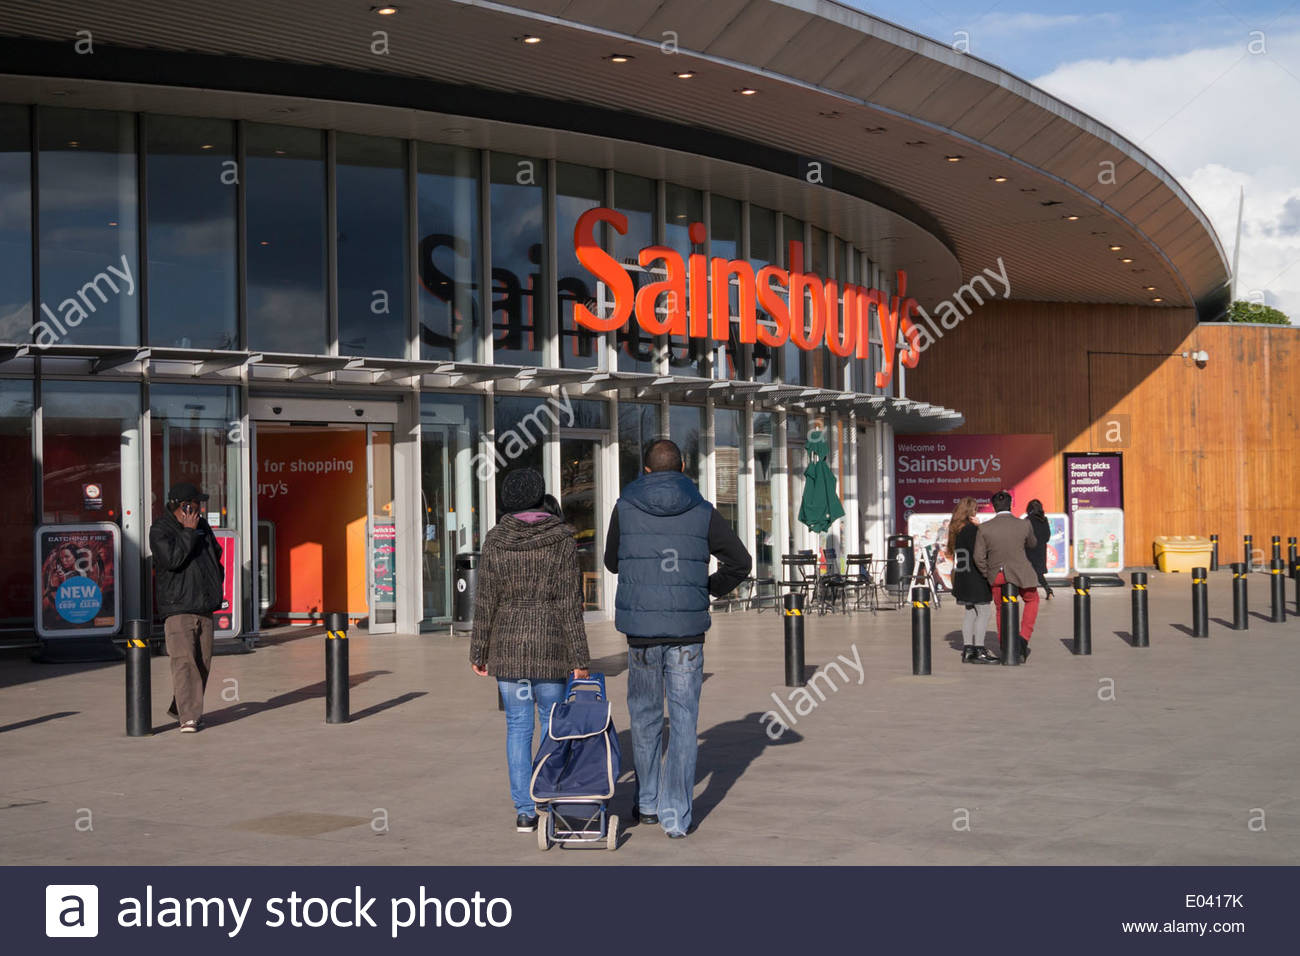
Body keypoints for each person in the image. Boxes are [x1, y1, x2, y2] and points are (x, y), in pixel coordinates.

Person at [603, 439, 751, 838]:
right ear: (684, 467)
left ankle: (647, 803)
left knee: (646, 716)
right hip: (688, 634)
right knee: (684, 722)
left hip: (642, 636)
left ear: (645, 470)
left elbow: (611, 561)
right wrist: (704, 588)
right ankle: (677, 817)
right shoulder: (703, 511)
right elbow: (741, 561)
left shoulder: (625, 507)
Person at [470, 467, 590, 834]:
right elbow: (571, 602)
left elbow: (485, 599)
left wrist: (479, 651)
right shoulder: (562, 539)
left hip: (507, 646)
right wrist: (580, 659)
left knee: (517, 727)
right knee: (553, 726)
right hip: (550, 645)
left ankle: (524, 809)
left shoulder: (495, 540)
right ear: (540, 497)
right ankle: (548, 794)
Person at [149, 482, 224, 733]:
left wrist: (216, 580)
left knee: (202, 663)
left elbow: (215, 553)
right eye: (195, 504)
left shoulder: (201, 526)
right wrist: (188, 532)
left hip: (204, 603)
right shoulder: (161, 529)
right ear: (183, 506)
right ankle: (189, 716)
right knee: (184, 662)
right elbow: (172, 559)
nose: (199, 509)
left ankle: (180, 705)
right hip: (178, 606)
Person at [974, 490, 1039, 661]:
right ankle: (1023, 638)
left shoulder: (984, 528)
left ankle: (1005, 644)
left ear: (993, 506)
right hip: (1021, 573)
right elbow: (1033, 543)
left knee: (1000, 609)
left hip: (997, 574)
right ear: (1010, 505)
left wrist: (987, 573)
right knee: (1032, 600)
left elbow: (978, 557)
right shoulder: (1024, 524)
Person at [946, 497, 998, 664]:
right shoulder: (972, 530)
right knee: (984, 612)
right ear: (971, 511)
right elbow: (983, 550)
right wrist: (980, 526)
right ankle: (979, 650)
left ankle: (968, 650)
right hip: (975, 577)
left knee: (970, 612)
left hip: (962, 576)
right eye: (975, 509)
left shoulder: (956, 529)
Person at [1024, 498, 1055, 599]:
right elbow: (1047, 536)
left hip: (1029, 550)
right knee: (1038, 573)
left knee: (1027, 571)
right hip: (1040, 550)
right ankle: (1048, 590)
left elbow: (1023, 536)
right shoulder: (1044, 520)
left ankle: (1023, 593)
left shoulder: (1027, 520)